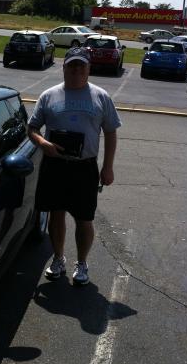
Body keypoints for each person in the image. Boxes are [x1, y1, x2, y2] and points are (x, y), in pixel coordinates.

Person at [27, 46, 121, 285]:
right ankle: (58, 258)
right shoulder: (49, 95)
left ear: (89, 68)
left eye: (81, 65)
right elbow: (32, 128)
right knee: (56, 214)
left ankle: (82, 262)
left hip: (84, 167)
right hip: (55, 165)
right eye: (72, 65)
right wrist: (43, 143)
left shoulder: (101, 97)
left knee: (84, 218)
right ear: (64, 67)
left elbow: (111, 132)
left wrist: (108, 167)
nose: (77, 70)